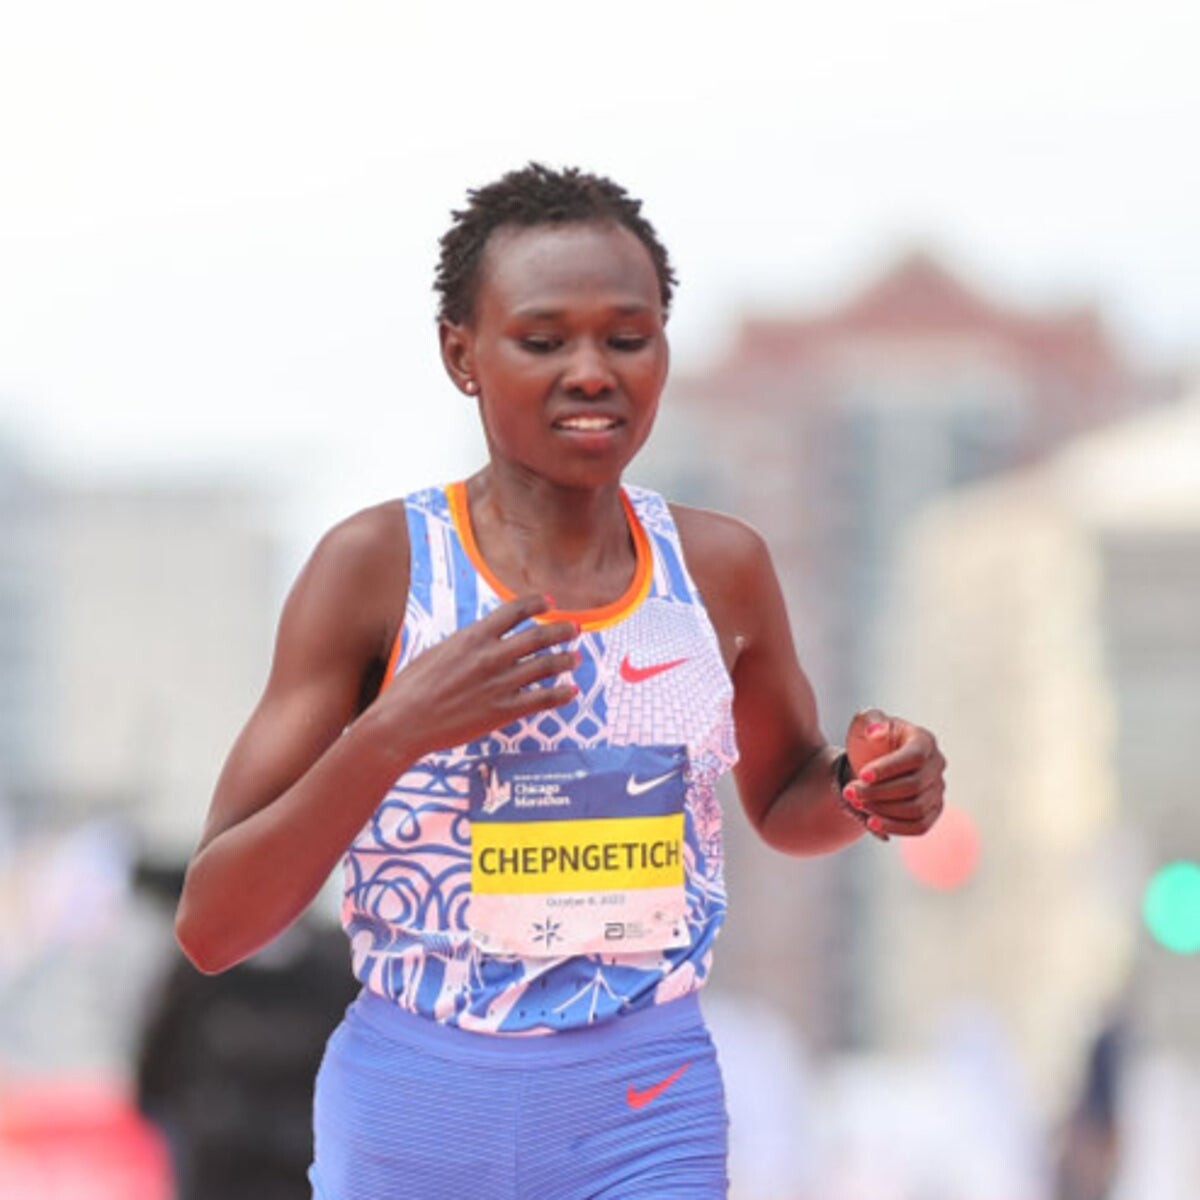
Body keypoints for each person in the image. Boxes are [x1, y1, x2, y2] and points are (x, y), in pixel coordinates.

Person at [175, 163, 946, 1199]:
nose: (592, 372)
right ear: (462, 354)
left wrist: (864, 788)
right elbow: (214, 927)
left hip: (640, 1101)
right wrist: (394, 733)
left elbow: (785, 800)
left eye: (628, 337)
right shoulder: (377, 570)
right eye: (543, 341)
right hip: (415, 1105)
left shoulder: (719, 571)